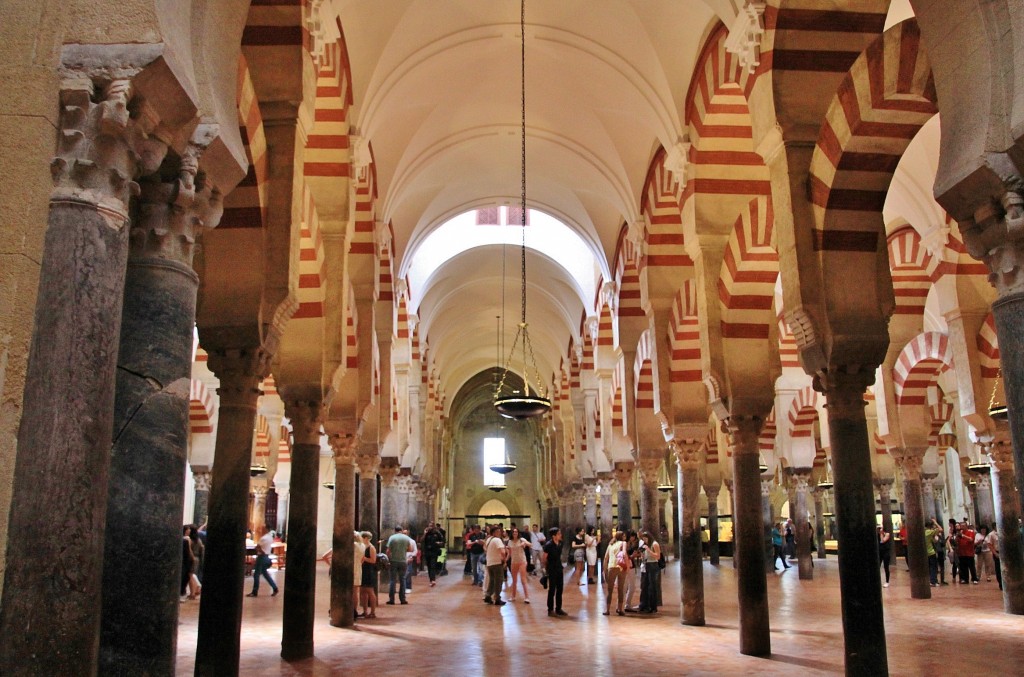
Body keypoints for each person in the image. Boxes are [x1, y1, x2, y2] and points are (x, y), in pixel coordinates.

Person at [247, 526, 278, 597]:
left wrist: (261, 551)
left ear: (266, 529)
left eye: (263, 528)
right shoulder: (270, 537)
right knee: (265, 573)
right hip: (267, 557)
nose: (261, 529)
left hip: (261, 557)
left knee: (256, 574)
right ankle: (275, 588)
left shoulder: (263, 538)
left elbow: (257, 546)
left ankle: (254, 592)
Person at [386, 525, 414, 604]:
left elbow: (388, 551)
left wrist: (389, 558)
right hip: (403, 561)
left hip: (394, 561)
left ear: (395, 530)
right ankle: (402, 599)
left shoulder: (392, 537)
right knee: (403, 580)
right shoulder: (406, 538)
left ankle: (391, 600)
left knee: (392, 580)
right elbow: (410, 549)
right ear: (401, 530)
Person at [603, 531, 629, 616]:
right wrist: (627, 565)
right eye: (624, 535)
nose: (625, 537)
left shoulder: (610, 545)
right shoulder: (623, 543)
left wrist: (604, 570)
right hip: (621, 567)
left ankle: (607, 610)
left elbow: (606, 558)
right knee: (620, 589)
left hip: (611, 566)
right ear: (621, 537)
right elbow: (624, 553)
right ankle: (620, 609)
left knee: (609, 590)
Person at [542, 527, 567, 616]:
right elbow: (544, 558)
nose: (561, 535)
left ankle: (558, 608)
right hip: (552, 569)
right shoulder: (548, 545)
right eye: (559, 534)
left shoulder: (560, 543)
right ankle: (550, 609)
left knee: (560, 589)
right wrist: (546, 568)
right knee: (552, 589)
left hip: (559, 568)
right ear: (554, 536)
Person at [638, 530, 661, 614]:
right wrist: (642, 555)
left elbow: (658, 556)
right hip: (646, 564)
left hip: (653, 565)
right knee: (646, 585)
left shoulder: (654, 544)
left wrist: (649, 550)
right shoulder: (645, 545)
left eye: (645, 539)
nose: (644, 540)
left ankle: (653, 606)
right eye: (643, 539)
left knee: (652, 586)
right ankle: (646, 605)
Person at [484, 525, 508, 606]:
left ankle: (488, 595)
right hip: (497, 563)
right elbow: (502, 552)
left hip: (489, 563)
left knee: (492, 580)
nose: (500, 533)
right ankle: (497, 598)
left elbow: (485, 548)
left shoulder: (488, 539)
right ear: (494, 532)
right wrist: (504, 561)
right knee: (499, 581)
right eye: (498, 531)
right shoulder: (497, 540)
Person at [506, 526, 531, 603]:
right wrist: (505, 560)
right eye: (513, 532)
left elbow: (530, 544)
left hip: (522, 561)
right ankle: (513, 596)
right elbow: (509, 553)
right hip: (514, 562)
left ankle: (527, 597)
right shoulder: (510, 541)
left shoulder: (521, 539)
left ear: (518, 533)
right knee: (514, 580)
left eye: (516, 532)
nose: (515, 533)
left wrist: (525, 543)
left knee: (523, 579)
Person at [359, 531, 378, 618]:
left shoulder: (371, 548)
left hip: (369, 571)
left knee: (370, 591)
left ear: (366, 538)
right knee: (363, 592)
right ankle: (365, 611)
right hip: (363, 570)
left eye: (362, 538)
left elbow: (373, 560)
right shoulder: (363, 547)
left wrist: (364, 558)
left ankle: (373, 612)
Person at [181, 525, 197, 601]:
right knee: (191, 576)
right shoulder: (195, 539)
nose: (189, 530)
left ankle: (192, 593)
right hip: (192, 559)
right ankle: (193, 593)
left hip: (189, 559)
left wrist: (192, 557)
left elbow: (189, 550)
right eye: (188, 529)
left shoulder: (187, 539)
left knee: (190, 576)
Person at [985, 524, 1002, 590]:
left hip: (1004, 552)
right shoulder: (991, 534)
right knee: (998, 568)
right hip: (997, 552)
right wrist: (995, 553)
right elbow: (989, 544)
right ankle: (1000, 583)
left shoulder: (1002, 532)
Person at [925, 520, 940, 587]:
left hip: (925, 553)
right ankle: (933, 581)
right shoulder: (929, 532)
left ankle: (932, 580)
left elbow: (933, 541)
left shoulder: (924, 532)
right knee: (933, 567)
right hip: (931, 552)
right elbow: (940, 529)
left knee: (929, 567)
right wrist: (936, 523)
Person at [403, 528, 418, 593]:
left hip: (409, 559)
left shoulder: (412, 541)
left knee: (408, 573)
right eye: (403, 533)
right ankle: (403, 587)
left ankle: (408, 587)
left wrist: (411, 557)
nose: (405, 535)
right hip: (401, 559)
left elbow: (415, 550)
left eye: (405, 533)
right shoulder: (400, 541)